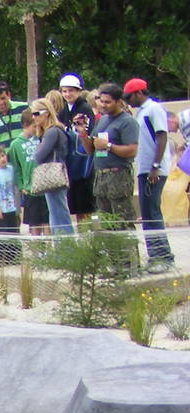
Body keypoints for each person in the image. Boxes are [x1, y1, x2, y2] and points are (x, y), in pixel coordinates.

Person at [124, 78, 175, 272]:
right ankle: (157, 255)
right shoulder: (142, 112)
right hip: (145, 168)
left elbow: (161, 136)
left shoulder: (154, 109)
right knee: (147, 214)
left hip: (153, 170)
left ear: (138, 93)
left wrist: (155, 165)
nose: (128, 101)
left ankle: (162, 257)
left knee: (152, 214)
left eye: (129, 97)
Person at [85, 82, 140, 228]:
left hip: (118, 175)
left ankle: (128, 252)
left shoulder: (127, 122)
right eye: (101, 101)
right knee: (106, 222)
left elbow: (132, 150)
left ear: (118, 101)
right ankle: (111, 251)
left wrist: (108, 146)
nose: (103, 105)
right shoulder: (102, 120)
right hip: (101, 176)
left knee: (122, 221)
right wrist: (83, 134)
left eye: (108, 102)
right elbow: (91, 149)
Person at [29, 100, 74, 235]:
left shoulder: (52, 132)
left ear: (46, 113)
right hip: (54, 173)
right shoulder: (51, 132)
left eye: (37, 113)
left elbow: (38, 156)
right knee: (55, 212)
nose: (34, 117)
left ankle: (65, 245)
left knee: (59, 212)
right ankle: (61, 244)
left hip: (54, 174)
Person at [56, 73, 96, 219]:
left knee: (86, 206)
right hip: (71, 162)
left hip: (84, 162)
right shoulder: (63, 111)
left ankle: (88, 236)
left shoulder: (84, 108)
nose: (68, 94)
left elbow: (87, 133)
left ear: (78, 91)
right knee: (76, 206)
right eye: (64, 91)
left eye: (71, 90)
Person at [9, 110, 46, 236]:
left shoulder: (42, 138)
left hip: (45, 185)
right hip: (30, 188)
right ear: (25, 125)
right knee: (34, 222)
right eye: (33, 126)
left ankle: (50, 247)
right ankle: (37, 249)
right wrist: (21, 186)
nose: (36, 129)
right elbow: (16, 168)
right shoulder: (16, 144)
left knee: (47, 220)